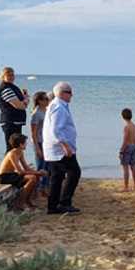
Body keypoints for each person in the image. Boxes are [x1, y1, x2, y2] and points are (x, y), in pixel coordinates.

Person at [43, 82, 81, 214]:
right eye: (69, 92)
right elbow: (56, 129)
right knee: (74, 172)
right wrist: (65, 145)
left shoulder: (57, 106)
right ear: (62, 93)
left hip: (57, 149)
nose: (72, 95)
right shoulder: (58, 107)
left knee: (57, 177)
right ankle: (63, 202)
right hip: (60, 150)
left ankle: (54, 206)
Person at [0, 133, 46, 209]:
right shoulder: (12, 154)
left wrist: (38, 173)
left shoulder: (20, 152)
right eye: (25, 143)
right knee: (32, 178)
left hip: (12, 174)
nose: (26, 144)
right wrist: (37, 173)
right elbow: (20, 171)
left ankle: (28, 200)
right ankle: (21, 202)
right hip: (5, 176)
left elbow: (26, 167)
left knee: (36, 177)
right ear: (21, 144)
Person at [0, 67, 29, 153]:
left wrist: (25, 99)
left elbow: (23, 104)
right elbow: (19, 106)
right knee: (11, 149)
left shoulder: (12, 87)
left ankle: (17, 166)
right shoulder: (6, 89)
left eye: (12, 74)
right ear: (3, 76)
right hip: (10, 122)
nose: (11, 77)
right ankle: (7, 166)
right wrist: (25, 100)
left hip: (16, 122)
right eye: (8, 75)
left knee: (17, 148)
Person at [29, 91, 50, 196]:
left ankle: (43, 188)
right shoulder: (36, 114)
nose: (48, 101)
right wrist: (37, 148)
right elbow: (33, 133)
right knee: (40, 167)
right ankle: (36, 189)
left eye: (48, 99)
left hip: (46, 142)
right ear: (40, 101)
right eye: (45, 99)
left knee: (46, 166)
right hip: (39, 142)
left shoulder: (46, 111)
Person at [119, 108, 135, 191]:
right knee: (133, 166)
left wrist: (121, 150)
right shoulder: (134, 126)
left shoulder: (126, 127)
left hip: (128, 147)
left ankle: (126, 187)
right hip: (133, 146)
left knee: (125, 167)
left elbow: (125, 140)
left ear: (123, 117)